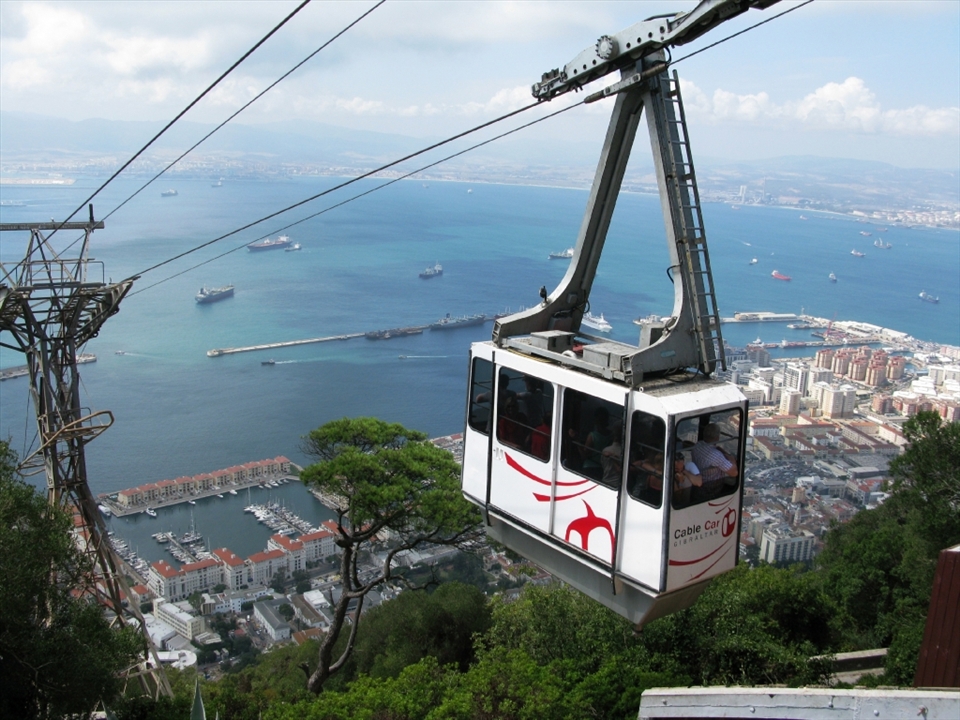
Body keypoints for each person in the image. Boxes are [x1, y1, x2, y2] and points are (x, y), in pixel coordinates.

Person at [691, 423, 737, 501]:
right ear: (717, 437)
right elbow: (734, 472)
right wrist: (731, 458)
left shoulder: (698, 445)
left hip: (697, 489)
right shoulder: (716, 455)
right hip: (711, 491)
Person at [580, 406, 612, 480]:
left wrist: (577, 442)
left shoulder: (592, 435)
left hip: (589, 468)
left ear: (596, 420)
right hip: (602, 468)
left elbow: (584, 455)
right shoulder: (611, 436)